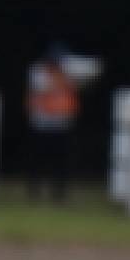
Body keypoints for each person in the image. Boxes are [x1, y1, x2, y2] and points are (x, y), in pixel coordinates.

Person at [22, 45, 100, 200]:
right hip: (42, 123)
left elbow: (93, 72)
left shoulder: (67, 71)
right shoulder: (38, 71)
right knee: (38, 160)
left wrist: (73, 76)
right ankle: (34, 193)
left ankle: (59, 194)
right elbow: (44, 87)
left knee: (62, 162)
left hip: (63, 122)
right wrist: (67, 78)